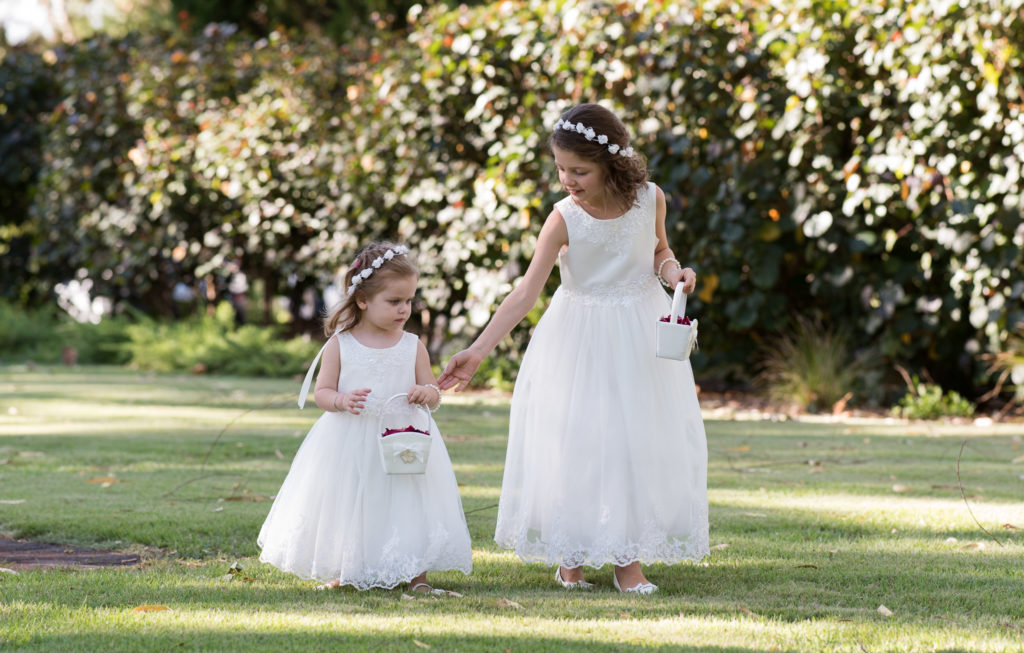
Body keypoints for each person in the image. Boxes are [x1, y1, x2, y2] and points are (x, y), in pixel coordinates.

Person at [438, 103, 708, 594]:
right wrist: (477, 351)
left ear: (611, 162)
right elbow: (525, 292)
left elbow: (658, 252)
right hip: (578, 338)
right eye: (560, 168)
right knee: (579, 443)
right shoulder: (563, 218)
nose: (567, 179)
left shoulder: (651, 200)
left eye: (579, 170)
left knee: (633, 440)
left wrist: (675, 274)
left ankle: (628, 563)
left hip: (639, 333)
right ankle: (571, 558)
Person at [259, 242, 473, 592]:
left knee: (410, 502)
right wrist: (341, 400)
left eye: (408, 301)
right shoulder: (341, 344)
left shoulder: (412, 345)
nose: (404, 309)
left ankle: (416, 574)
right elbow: (322, 393)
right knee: (351, 502)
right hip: (351, 439)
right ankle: (348, 569)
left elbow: (432, 391)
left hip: (403, 436)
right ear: (362, 300)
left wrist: (426, 394)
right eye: (394, 302)